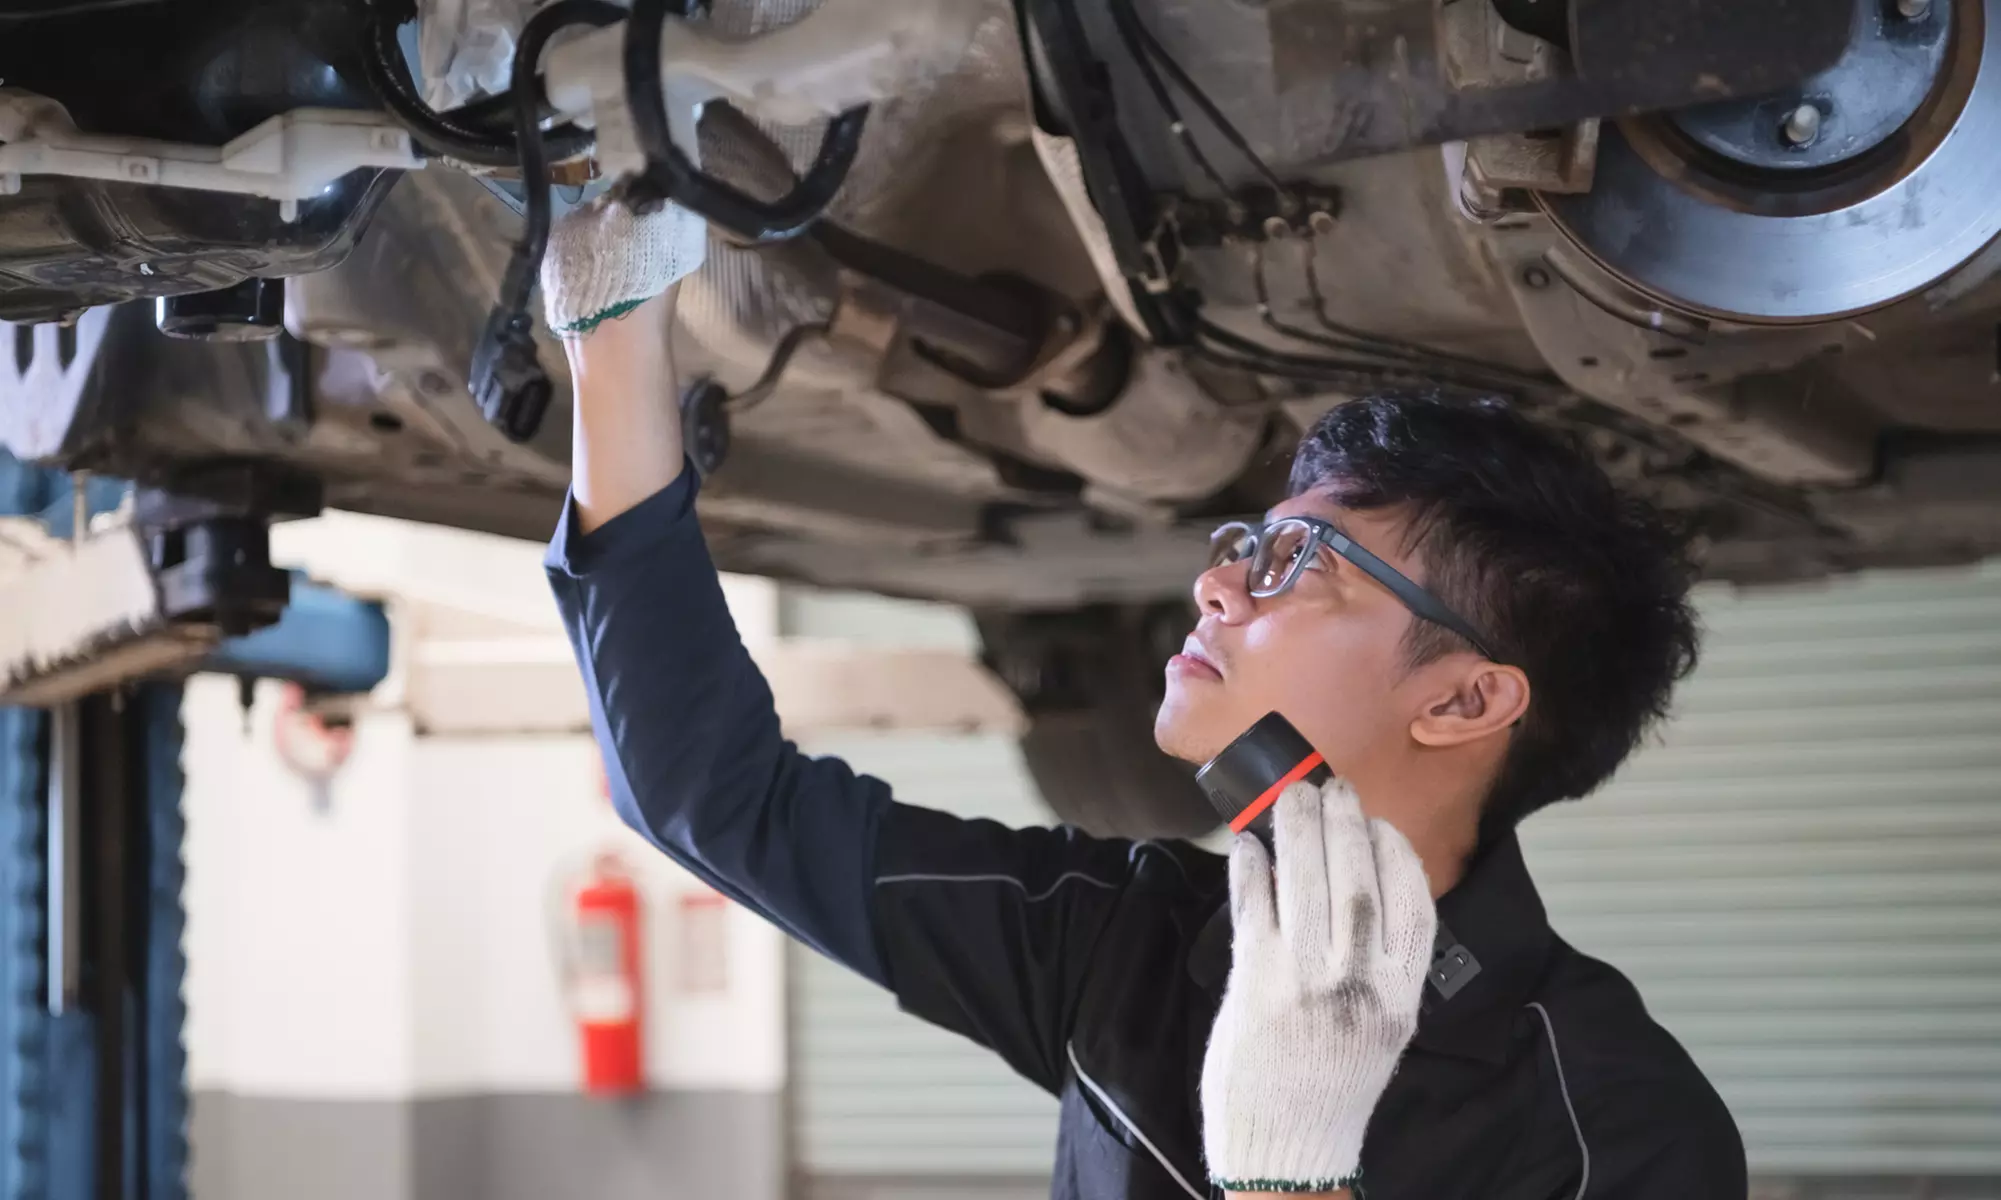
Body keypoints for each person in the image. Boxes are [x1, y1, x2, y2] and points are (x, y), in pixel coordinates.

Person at [541, 193, 1746, 1199]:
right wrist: (613, 332)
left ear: (1467, 698)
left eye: (1295, 564)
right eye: (1246, 541)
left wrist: (1291, 1180)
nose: (1214, 582)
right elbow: (717, 793)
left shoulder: (1621, 1126)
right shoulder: (1130, 943)